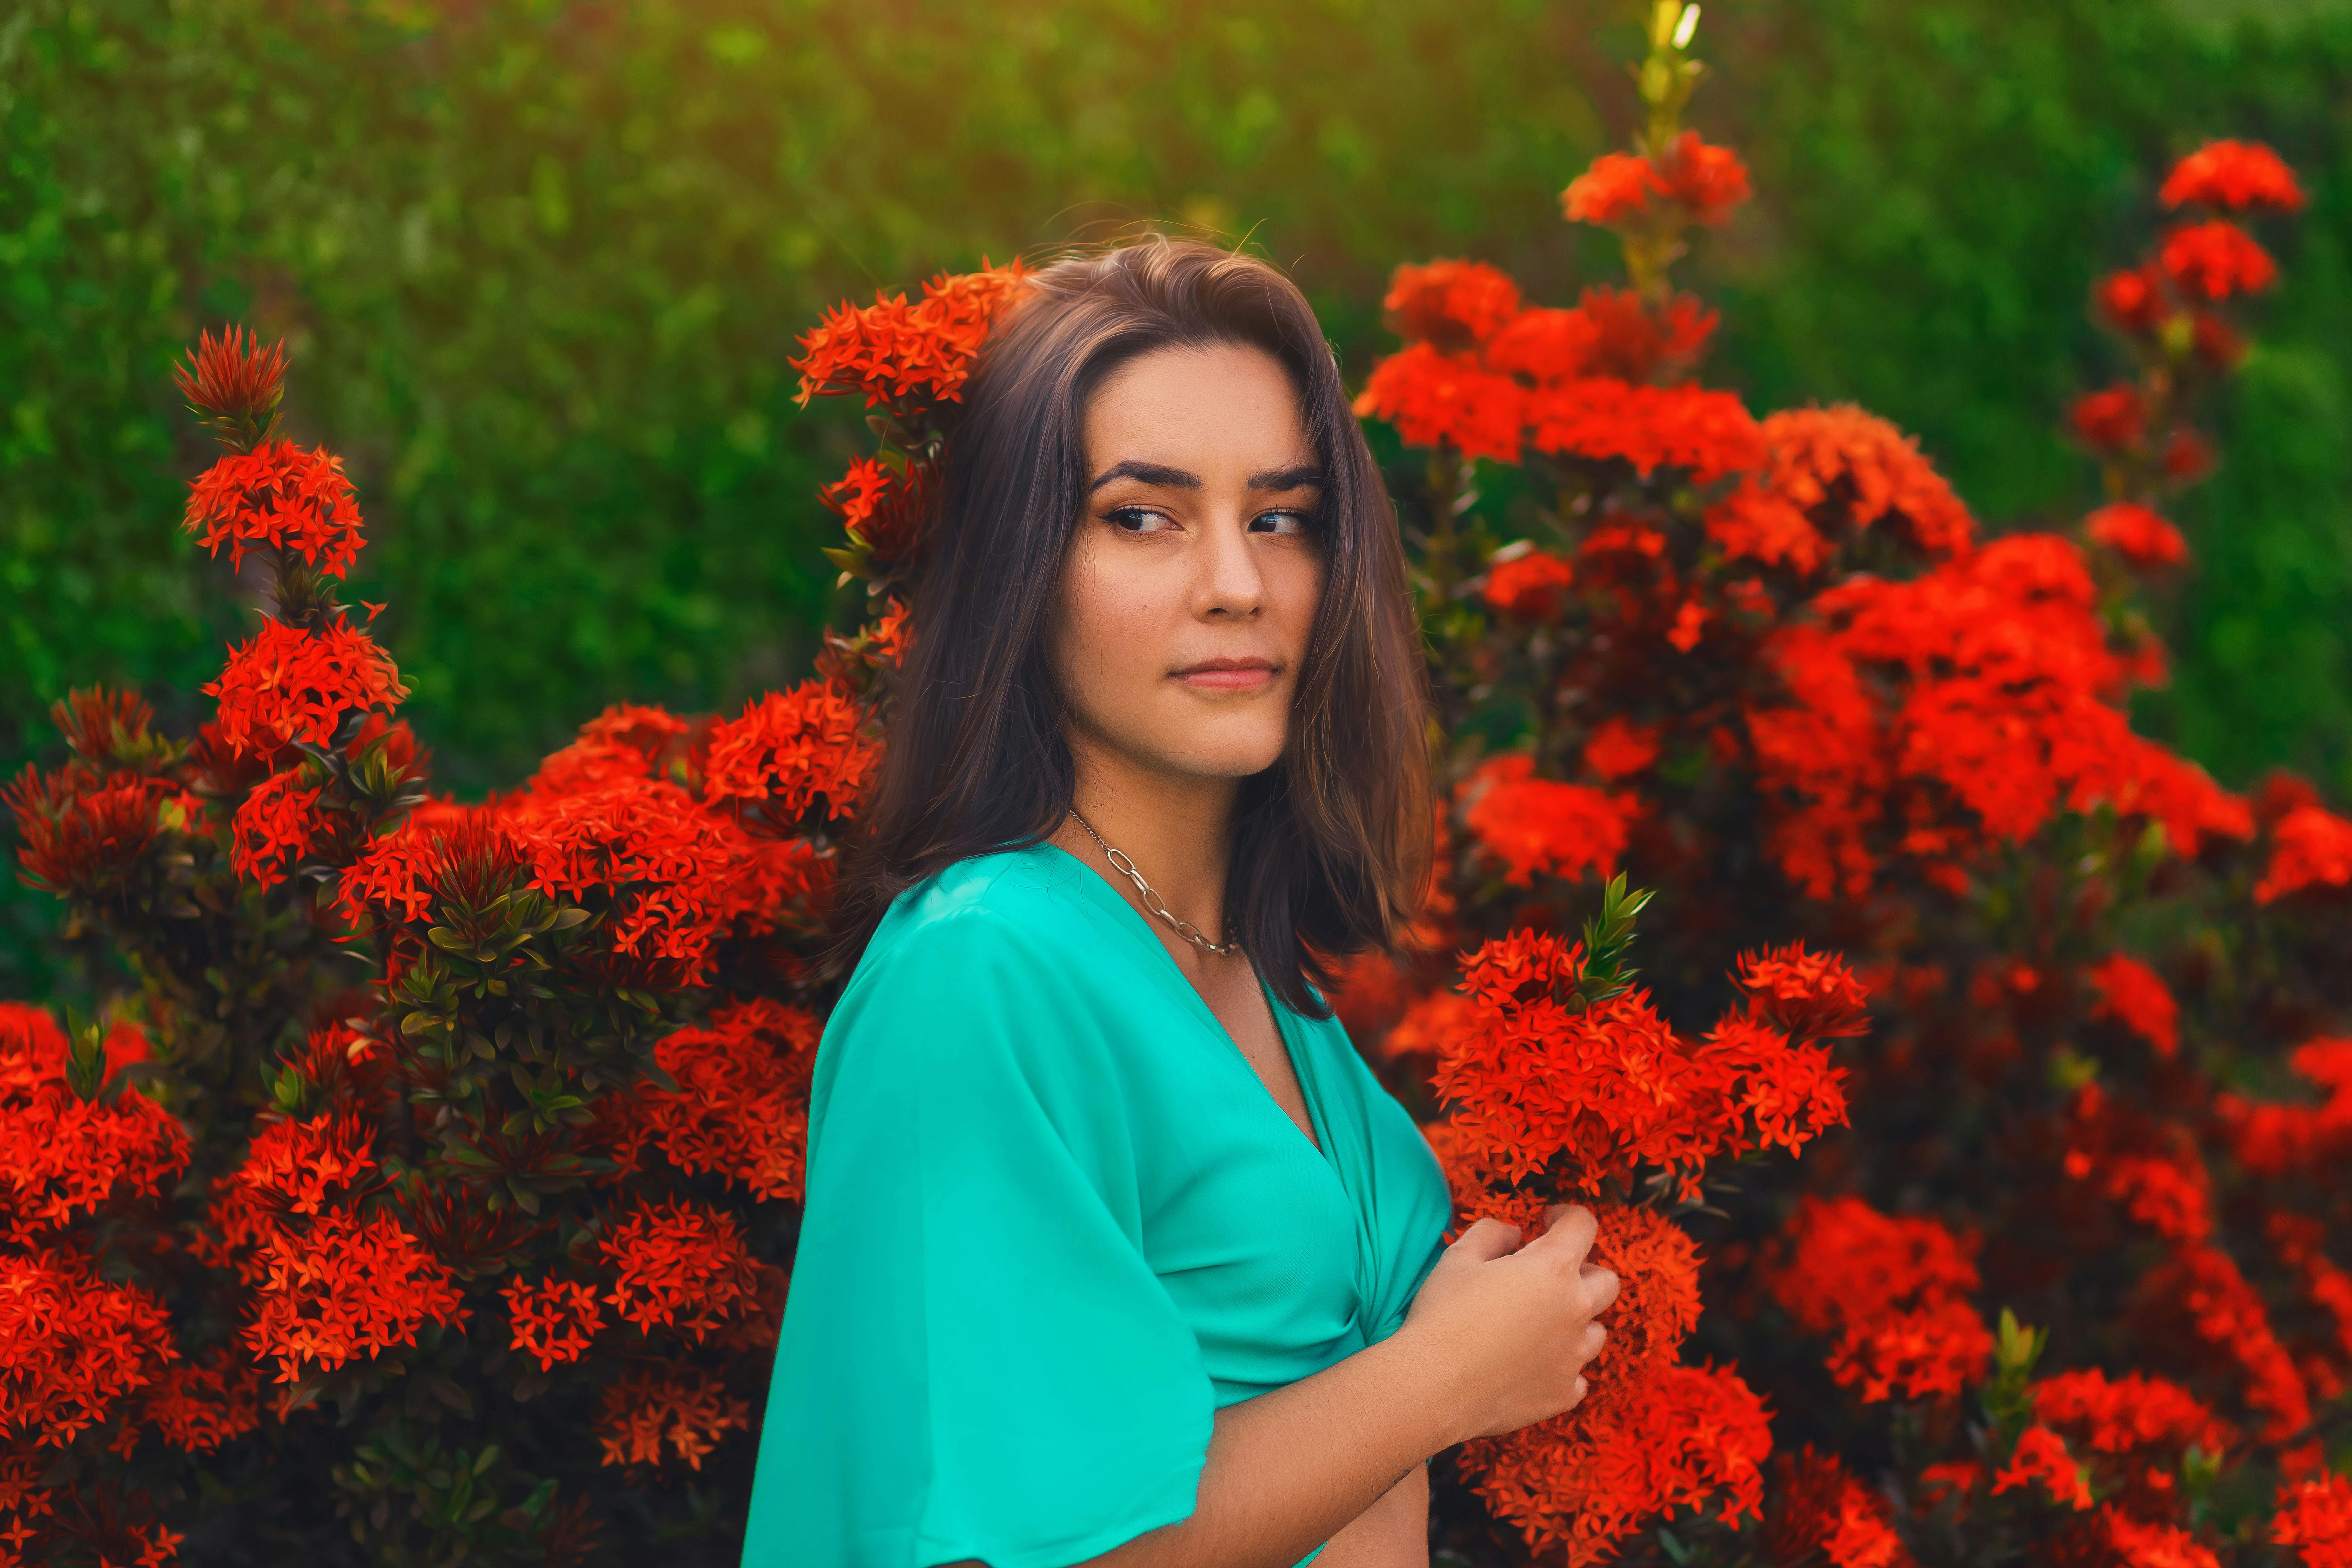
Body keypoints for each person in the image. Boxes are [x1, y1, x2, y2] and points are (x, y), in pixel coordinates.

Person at [743, 236, 1618, 1568]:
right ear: (1023, 568)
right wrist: (1445, 1378)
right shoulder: (982, 970)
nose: (1236, 586)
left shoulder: (1260, 972)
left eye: (1280, 518)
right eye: (1143, 516)